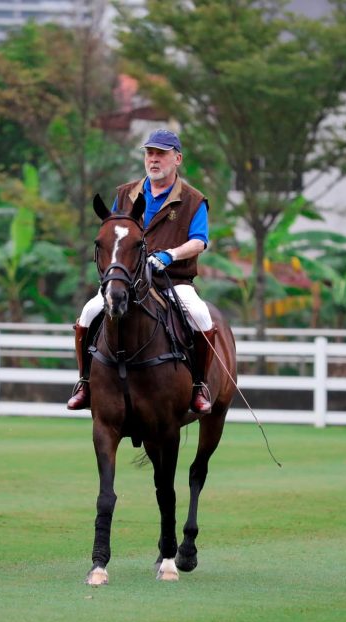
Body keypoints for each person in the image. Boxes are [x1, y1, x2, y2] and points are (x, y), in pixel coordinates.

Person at [67, 129, 217, 414]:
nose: (154, 159)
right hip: (128, 280)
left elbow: (200, 241)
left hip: (173, 279)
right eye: (150, 153)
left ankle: (199, 386)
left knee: (201, 315)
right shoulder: (124, 194)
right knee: (88, 312)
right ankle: (85, 383)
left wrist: (170, 255)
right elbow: (111, 229)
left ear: (177, 158)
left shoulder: (194, 200)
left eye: (161, 154)